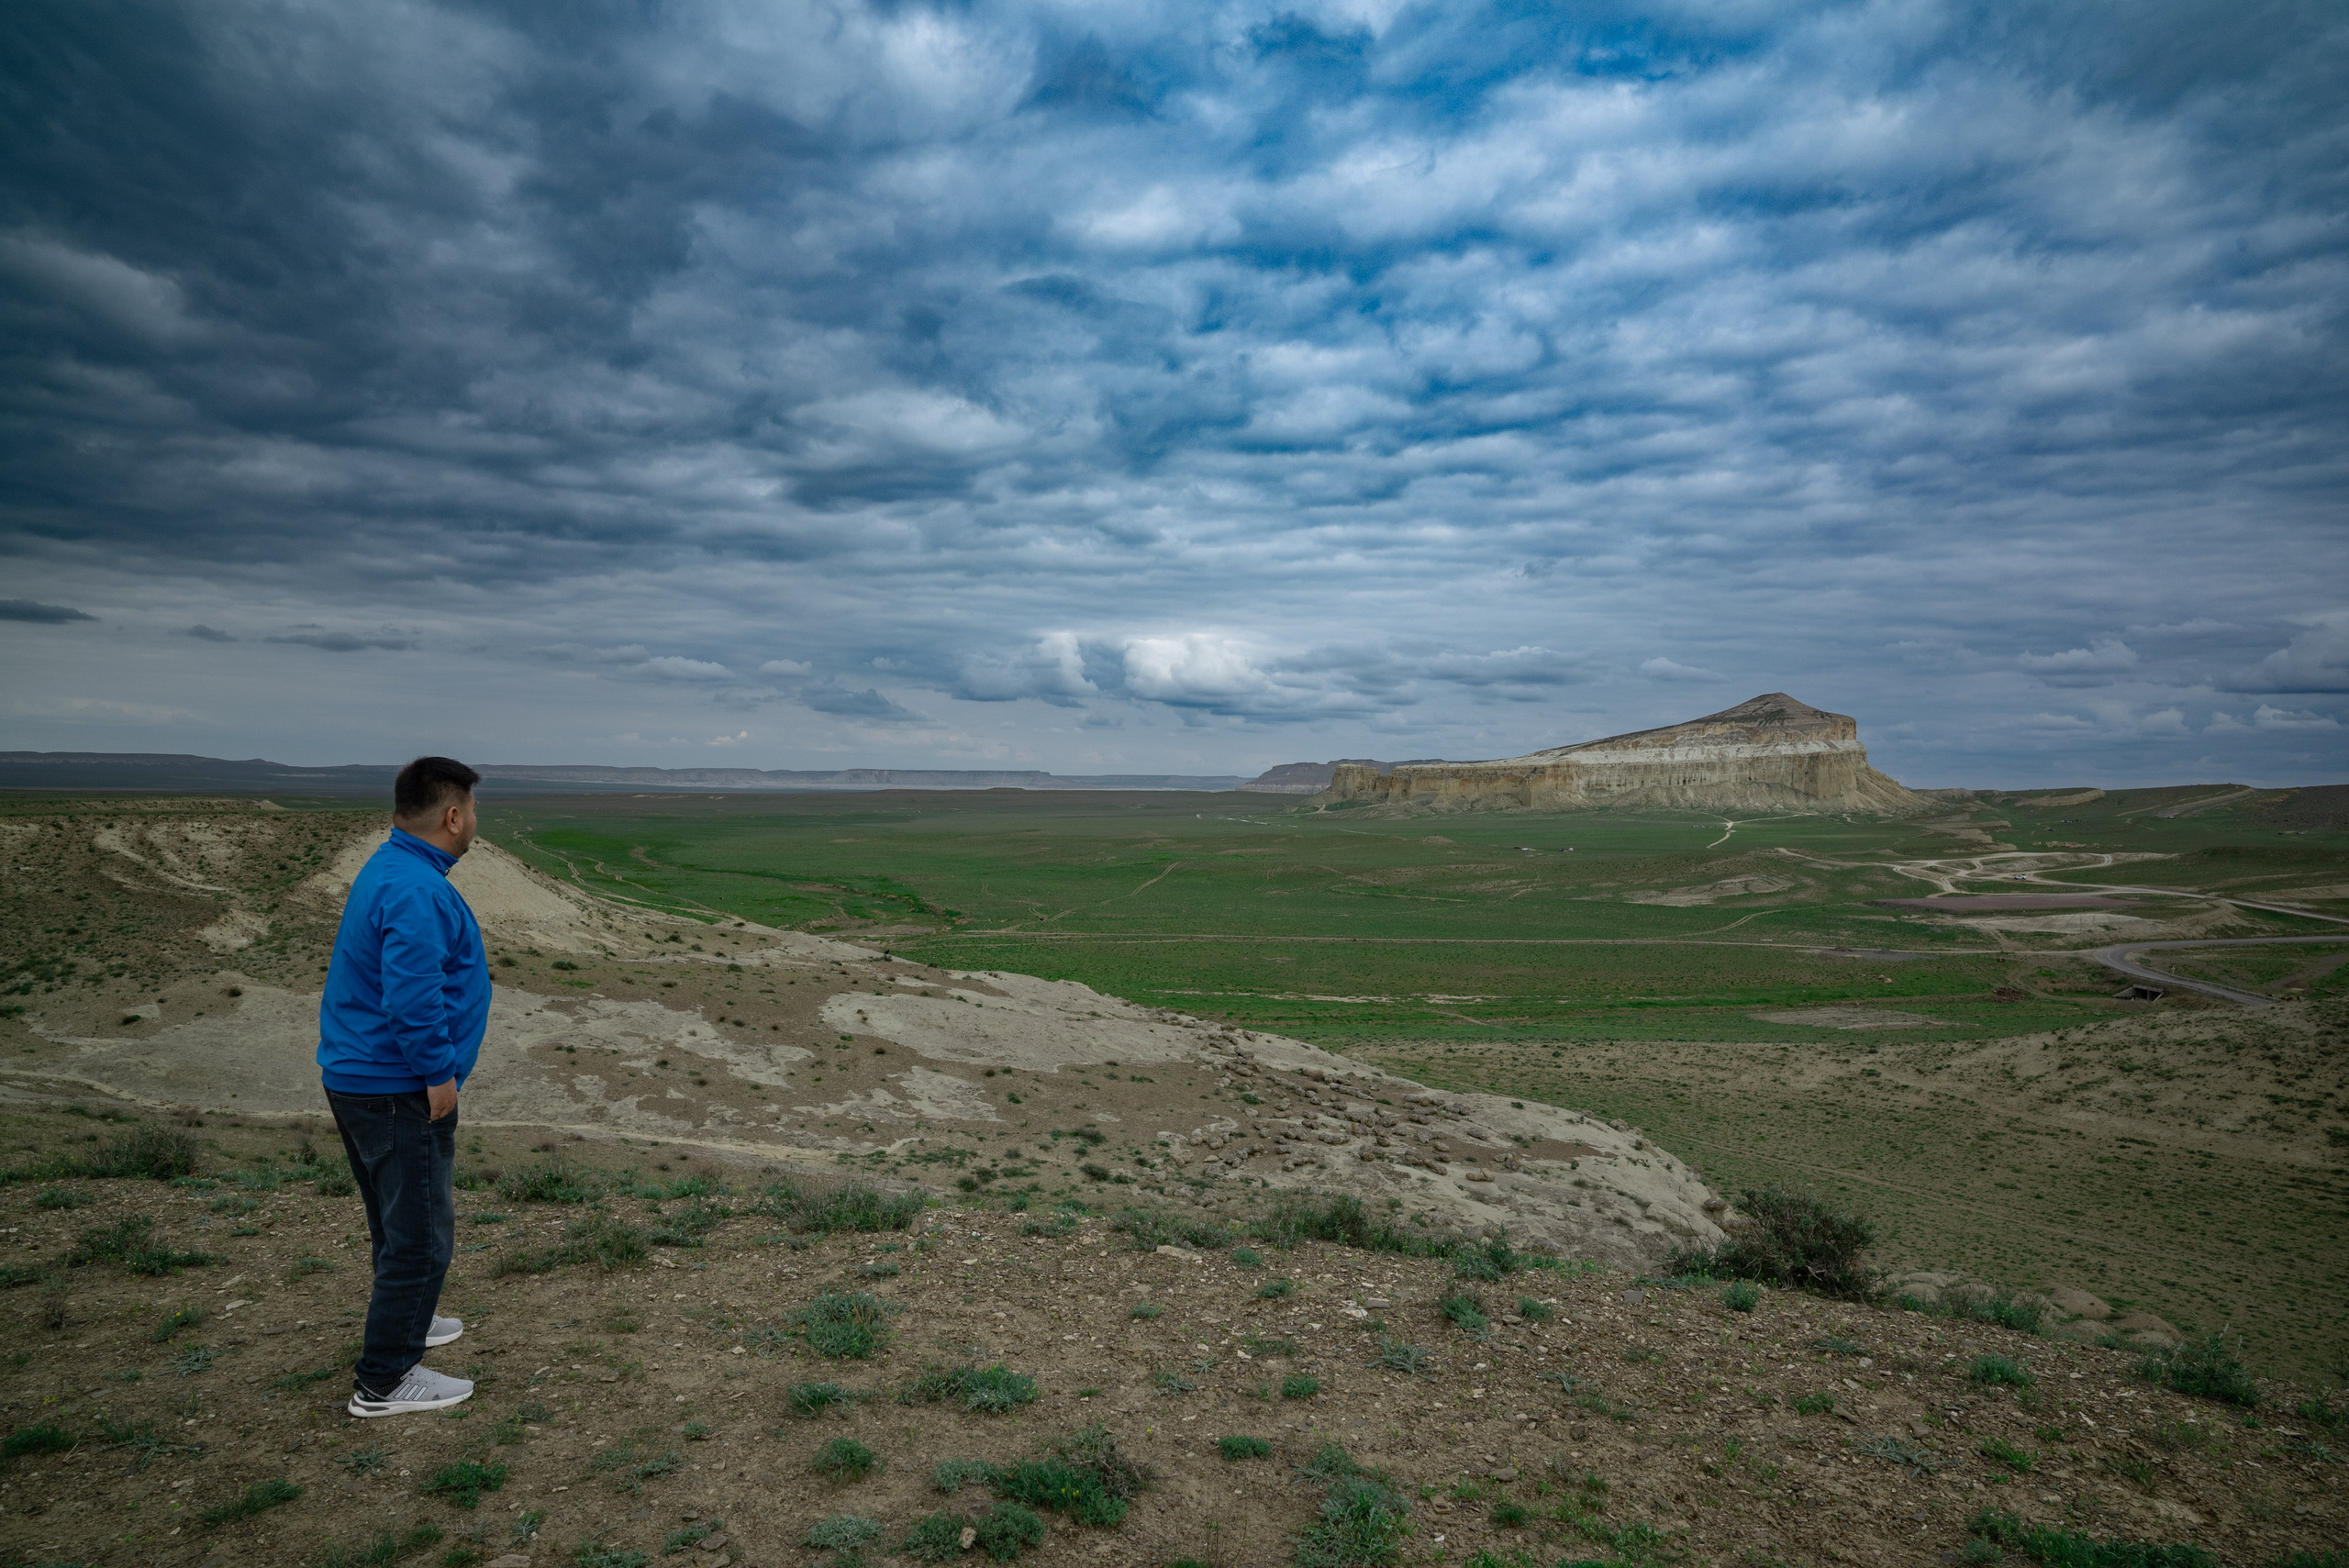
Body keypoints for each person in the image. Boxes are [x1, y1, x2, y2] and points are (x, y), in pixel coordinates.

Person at [317, 755, 492, 1418]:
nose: (475, 821)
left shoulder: (391, 867)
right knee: (421, 1233)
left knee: (397, 1223)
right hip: (397, 1085)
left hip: (363, 1076)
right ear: (453, 816)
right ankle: (386, 1380)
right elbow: (413, 995)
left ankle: (407, 1325)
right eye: (472, 810)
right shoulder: (417, 888)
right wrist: (438, 1075)